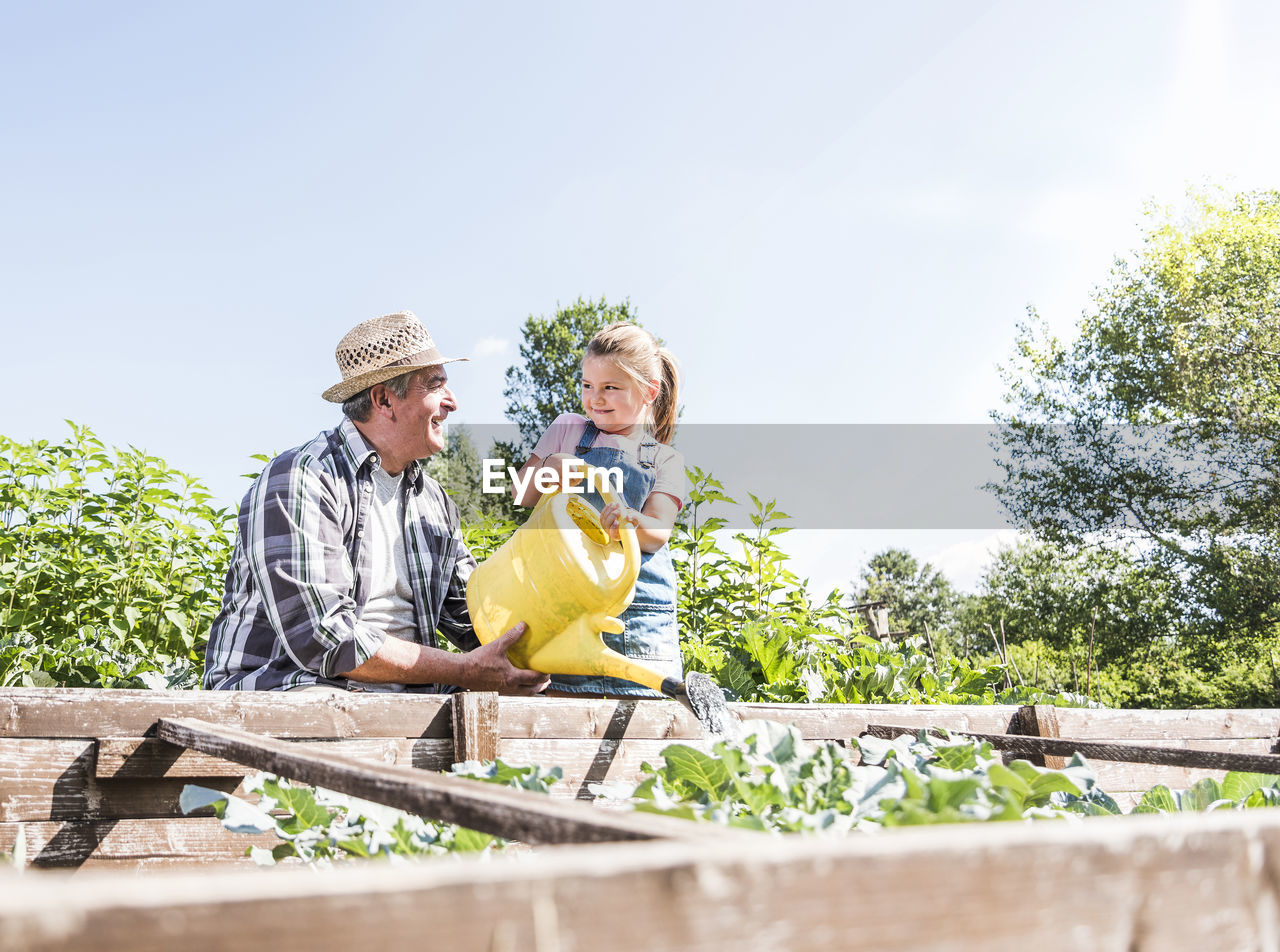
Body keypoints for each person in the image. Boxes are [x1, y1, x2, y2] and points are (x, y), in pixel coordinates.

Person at [204, 311, 549, 695]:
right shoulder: (303, 479)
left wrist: (552, 628)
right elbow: (323, 638)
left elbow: (478, 616)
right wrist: (465, 671)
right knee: (333, 714)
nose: (453, 401)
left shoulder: (433, 500)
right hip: (291, 689)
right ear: (384, 399)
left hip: (402, 697)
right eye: (436, 385)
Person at [512, 321, 686, 698]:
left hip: (637, 608)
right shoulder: (568, 429)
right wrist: (547, 473)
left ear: (648, 392)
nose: (595, 398)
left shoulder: (665, 460)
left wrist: (628, 518)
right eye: (588, 386)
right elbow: (520, 494)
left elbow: (657, 533)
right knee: (560, 708)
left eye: (610, 388)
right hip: (567, 594)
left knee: (641, 713)